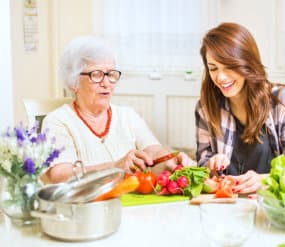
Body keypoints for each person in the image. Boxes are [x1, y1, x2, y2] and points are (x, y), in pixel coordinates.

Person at [42, 35, 194, 183]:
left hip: (131, 202)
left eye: (111, 74)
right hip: (87, 205)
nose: (107, 83)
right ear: (73, 82)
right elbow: (59, 174)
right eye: (96, 74)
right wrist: (115, 167)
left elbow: (152, 150)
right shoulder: (58, 121)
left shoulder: (127, 115)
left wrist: (170, 158)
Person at [195, 23, 285, 194]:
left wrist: (266, 180)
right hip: (227, 205)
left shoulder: (284, 101)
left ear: (246, 63)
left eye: (229, 67)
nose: (220, 77)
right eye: (213, 68)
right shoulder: (205, 107)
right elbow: (203, 164)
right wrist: (212, 164)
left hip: (272, 205)